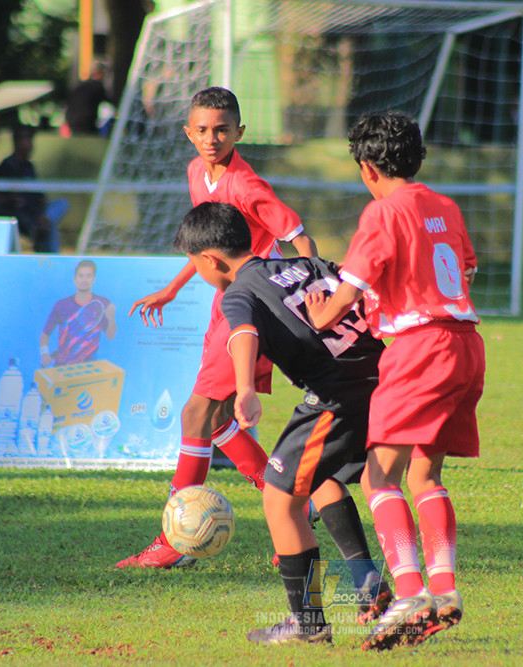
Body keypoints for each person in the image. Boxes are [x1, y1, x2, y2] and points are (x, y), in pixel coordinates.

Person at [306, 110, 485, 650]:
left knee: (378, 476)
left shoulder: (382, 212)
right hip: (464, 344)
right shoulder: (445, 206)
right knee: (425, 475)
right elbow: (465, 269)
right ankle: (444, 590)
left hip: (418, 350)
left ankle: (408, 594)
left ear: (367, 168)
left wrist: (320, 314)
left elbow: (348, 291)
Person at [174, 201, 392, 644]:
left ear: (210, 260)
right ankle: (366, 582)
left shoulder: (238, 293)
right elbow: (361, 291)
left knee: (279, 497)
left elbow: (243, 334)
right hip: (384, 380)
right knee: (317, 477)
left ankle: (308, 625)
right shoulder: (307, 263)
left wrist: (245, 388)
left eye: (195, 264)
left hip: (338, 396)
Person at [119, 87, 319, 569]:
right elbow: (207, 245)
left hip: (251, 304)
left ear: (239, 132)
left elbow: (300, 237)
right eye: (203, 130)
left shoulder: (247, 187)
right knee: (214, 419)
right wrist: (173, 288)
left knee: (196, 415)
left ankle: (173, 541)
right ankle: (295, 504)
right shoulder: (197, 172)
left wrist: (312, 291)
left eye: (222, 130)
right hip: (226, 300)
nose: (212, 139)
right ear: (189, 133)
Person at [0, 125, 66, 253]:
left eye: (31, 140)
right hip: (22, 214)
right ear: (17, 142)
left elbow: (39, 195)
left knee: (61, 204)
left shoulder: (29, 166)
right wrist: (37, 216)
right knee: (49, 226)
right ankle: (51, 255)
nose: (30, 144)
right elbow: (12, 198)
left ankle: (45, 222)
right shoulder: (8, 165)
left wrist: (42, 214)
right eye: (26, 139)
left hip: (38, 213)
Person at [40, 260, 117, 367]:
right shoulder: (61, 305)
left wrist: (111, 317)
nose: (84, 280)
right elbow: (45, 334)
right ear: (75, 279)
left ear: (94, 279)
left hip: (89, 367)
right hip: (62, 366)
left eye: (88, 276)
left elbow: (110, 336)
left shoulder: (103, 303)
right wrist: (44, 354)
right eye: (81, 276)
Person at [65, 62, 110, 136]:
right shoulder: (97, 86)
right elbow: (108, 102)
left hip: (71, 121)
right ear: (100, 73)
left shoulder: (80, 85)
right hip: (87, 122)